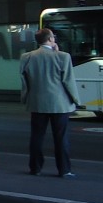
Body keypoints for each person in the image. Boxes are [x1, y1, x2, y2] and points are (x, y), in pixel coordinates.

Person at [19, 28, 80, 177]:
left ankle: (35, 168)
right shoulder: (63, 57)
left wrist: (25, 98)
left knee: (36, 137)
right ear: (51, 39)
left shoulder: (26, 57)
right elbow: (68, 81)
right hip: (59, 104)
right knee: (61, 138)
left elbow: (24, 82)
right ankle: (64, 170)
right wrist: (76, 100)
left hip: (37, 102)